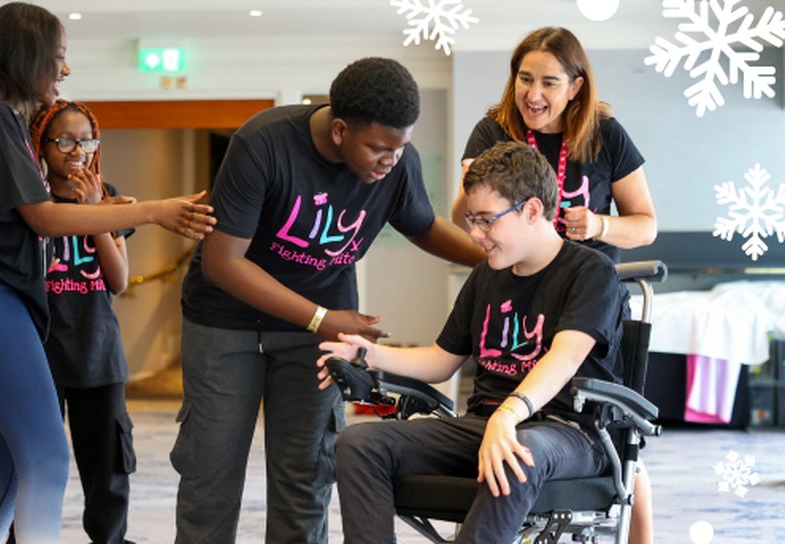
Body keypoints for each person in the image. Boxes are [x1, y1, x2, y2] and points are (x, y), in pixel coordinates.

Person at [0, 4, 214, 543]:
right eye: (58, 57)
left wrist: (115, 210)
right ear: (23, 56)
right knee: (49, 459)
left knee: (13, 465)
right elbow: (44, 217)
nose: (65, 69)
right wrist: (152, 210)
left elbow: (69, 240)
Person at [172, 57, 484, 544]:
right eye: (379, 149)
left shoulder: (397, 163)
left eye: (400, 149)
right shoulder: (263, 144)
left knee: (306, 477)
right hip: (227, 323)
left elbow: (424, 227)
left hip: (317, 333)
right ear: (340, 130)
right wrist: (320, 318)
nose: (391, 161)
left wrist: (506, 256)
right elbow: (222, 262)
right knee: (210, 477)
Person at [320, 140, 624, 544]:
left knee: (520, 450)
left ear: (532, 210)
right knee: (359, 442)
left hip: (571, 432)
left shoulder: (591, 272)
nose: (474, 234)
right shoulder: (487, 275)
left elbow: (565, 357)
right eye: (470, 220)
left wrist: (509, 415)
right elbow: (442, 359)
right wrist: (369, 353)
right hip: (487, 425)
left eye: (486, 220)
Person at [449, 27, 657, 542]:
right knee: (507, 419)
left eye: (548, 81)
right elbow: (464, 216)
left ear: (576, 86)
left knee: (617, 443)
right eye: (523, 78)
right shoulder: (491, 131)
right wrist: (481, 202)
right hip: (518, 293)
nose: (532, 95)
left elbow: (646, 224)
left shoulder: (605, 134)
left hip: (586, 300)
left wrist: (601, 226)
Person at [24, 99, 135, 543]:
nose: (77, 150)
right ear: (42, 145)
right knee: (31, 460)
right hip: (38, 352)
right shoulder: (29, 202)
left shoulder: (107, 195)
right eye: (65, 140)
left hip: (97, 351)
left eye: (86, 140)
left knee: (107, 464)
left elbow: (119, 280)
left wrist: (96, 213)